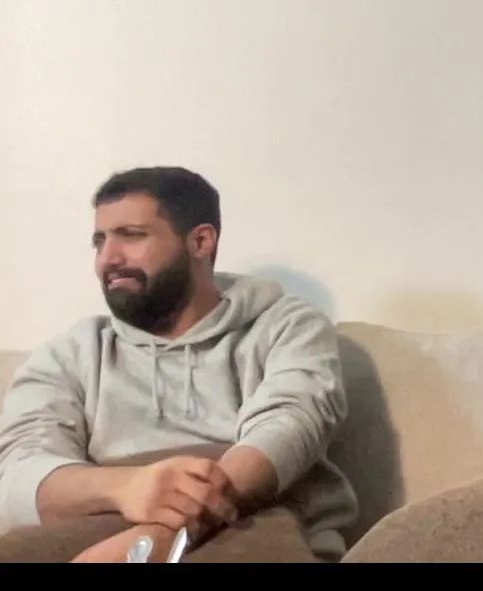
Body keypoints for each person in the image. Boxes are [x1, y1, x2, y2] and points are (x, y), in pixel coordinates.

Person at [0, 167, 358, 562]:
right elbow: (19, 473)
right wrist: (127, 488)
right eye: (99, 241)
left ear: (201, 241)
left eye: (131, 235)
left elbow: (291, 423)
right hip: (104, 526)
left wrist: (161, 536)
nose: (108, 259)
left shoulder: (286, 326)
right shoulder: (70, 354)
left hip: (255, 518)